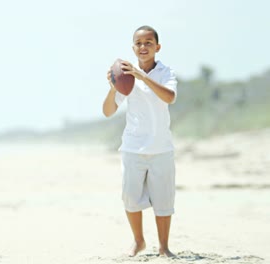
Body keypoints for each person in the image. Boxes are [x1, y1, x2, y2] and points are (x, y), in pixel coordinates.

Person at [102, 25, 178, 257]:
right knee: (130, 197)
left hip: (161, 147)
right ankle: (139, 241)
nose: (143, 47)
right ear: (133, 47)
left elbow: (170, 97)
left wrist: (141, 76)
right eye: (138, 43)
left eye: (148, 43)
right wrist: (112, 88)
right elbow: (108, 111)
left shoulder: (166, 73)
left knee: (164, 200)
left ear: (157, 47)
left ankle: (164, 247)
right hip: (133, 147)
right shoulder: (126, 77)